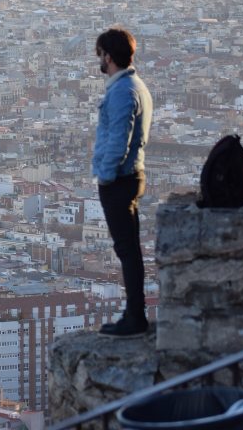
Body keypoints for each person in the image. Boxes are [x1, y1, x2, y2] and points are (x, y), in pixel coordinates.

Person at [93, 27, 153, 338]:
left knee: (127, 251)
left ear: (109, 55)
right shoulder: (134, 85)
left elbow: (118, 140)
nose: (99, 60)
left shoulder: (122, 92)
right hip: (131, 176)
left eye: (101, 54)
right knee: (130, 250)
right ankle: (134, 314)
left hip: (120, 180)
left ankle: (135, 318)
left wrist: (105, 176)